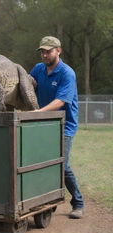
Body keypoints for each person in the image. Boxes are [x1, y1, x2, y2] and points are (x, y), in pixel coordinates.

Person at [30, 36, 84, 219]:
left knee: (62, 165)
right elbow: (27, 86)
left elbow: (61, 101)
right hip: (42, 124)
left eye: (48, 51)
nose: (44, 55)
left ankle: (78, 203)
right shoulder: (38, 69)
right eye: (42, 51)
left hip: (64, 125)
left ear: (58, 50)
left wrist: (39, 112)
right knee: (40, 162)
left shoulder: (67, 73)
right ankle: (47, 199)